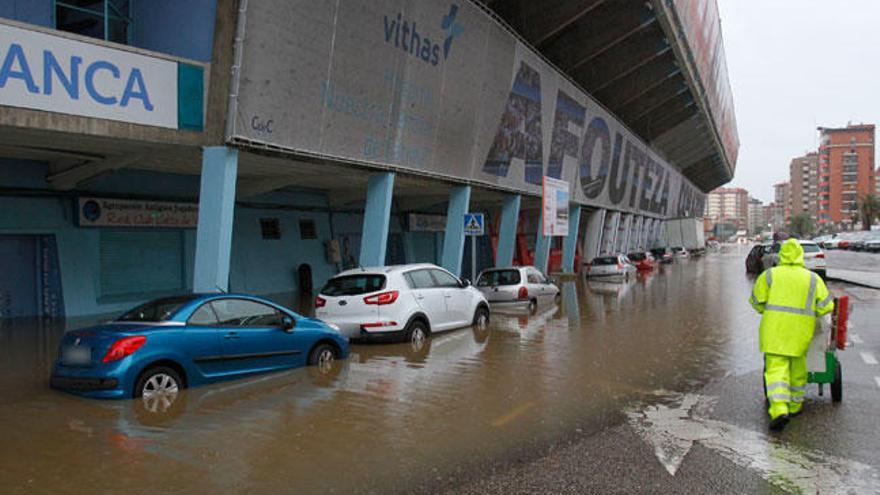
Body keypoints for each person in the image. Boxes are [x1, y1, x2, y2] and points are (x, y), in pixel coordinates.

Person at [749, 238, 834, 431]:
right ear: (800, 256)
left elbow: (755, 301)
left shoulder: (770, 276)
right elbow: (826, 306)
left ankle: (779, 409)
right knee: (798, 371)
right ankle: (795, 406)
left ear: (782, 255)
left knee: (776, 372)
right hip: (800, 333)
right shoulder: (812, 279)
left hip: (774, 333)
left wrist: (769, 310)